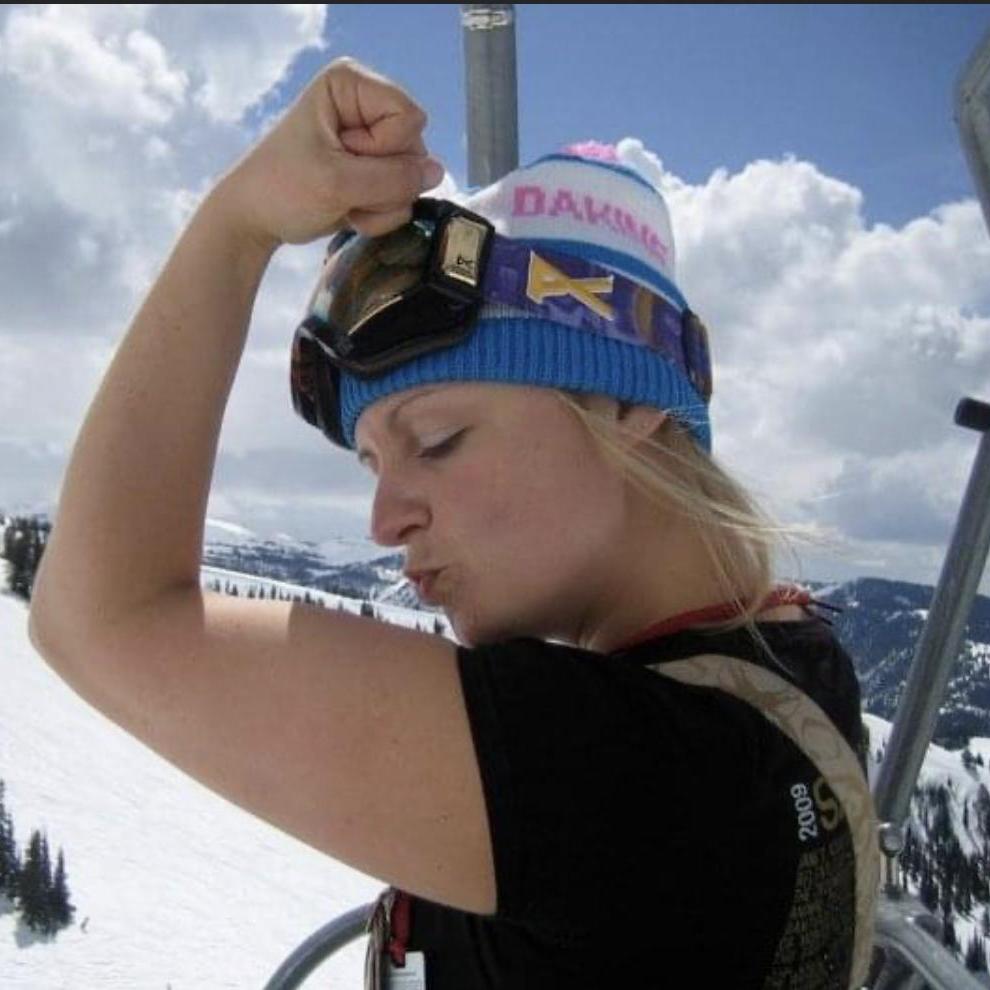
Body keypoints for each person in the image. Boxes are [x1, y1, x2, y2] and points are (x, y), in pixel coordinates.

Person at [28, 57, 874, 988]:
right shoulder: (784, 669)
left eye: (436, 440)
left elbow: (102, 616)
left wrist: (238, 225)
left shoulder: (626, 771)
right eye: (372, 464)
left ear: (630, 400)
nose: (384, 520)